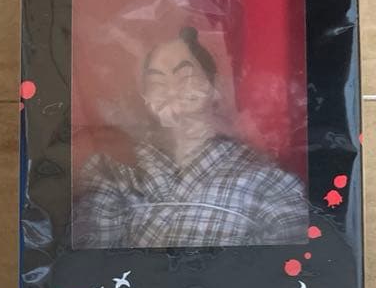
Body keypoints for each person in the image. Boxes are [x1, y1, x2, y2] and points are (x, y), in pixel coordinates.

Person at [72, 26, 308, 249]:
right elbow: (97, 260)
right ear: (145, 97)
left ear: (214, 86)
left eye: (185, 77)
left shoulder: (267, 180)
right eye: (157, 82)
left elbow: (281, 265)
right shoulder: (113, 170)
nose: (171, 89)